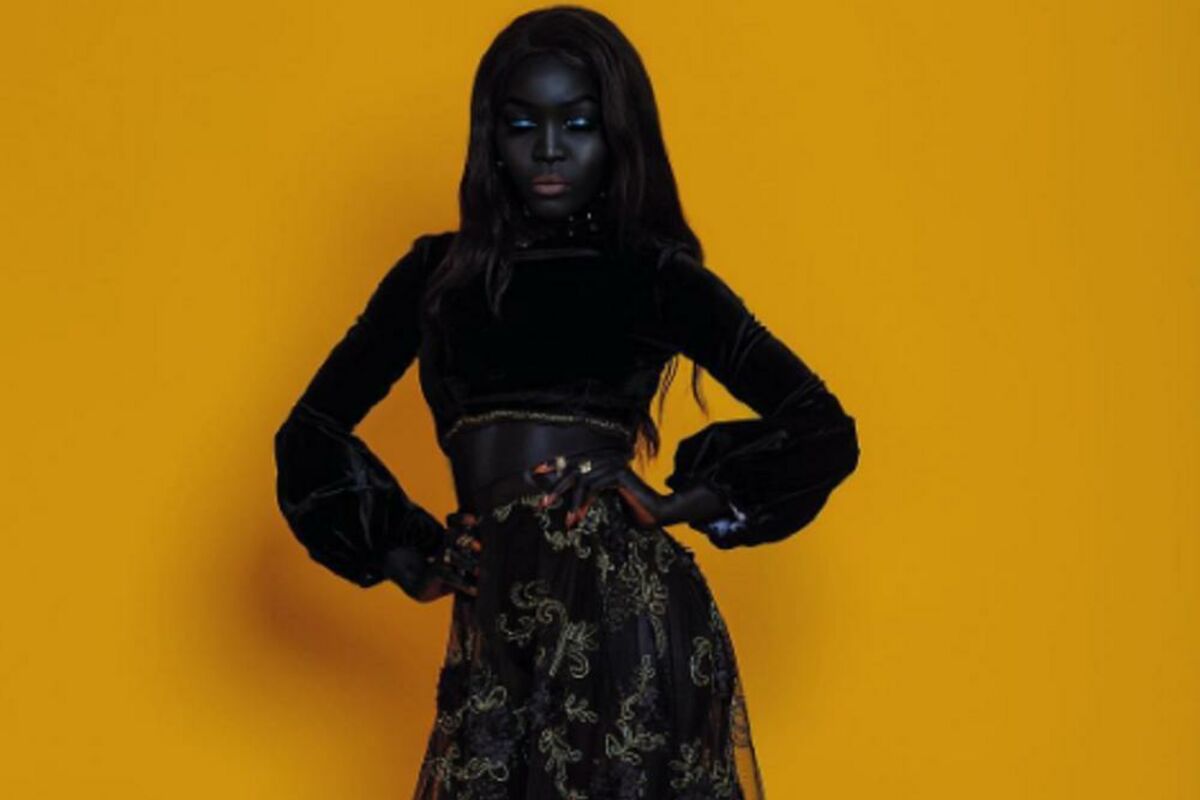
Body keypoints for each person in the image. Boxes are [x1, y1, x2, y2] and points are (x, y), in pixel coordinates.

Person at [273, 6, 860, 798]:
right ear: (491, 138)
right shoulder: (435, 277)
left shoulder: (649, 273)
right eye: (522, 125)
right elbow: (309, 432)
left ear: (616, 135)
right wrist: (409, 558)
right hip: (498, 624)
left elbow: (821, 428)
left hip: (623, 615)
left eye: (577, 124)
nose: (549, 149)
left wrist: (677, 502)